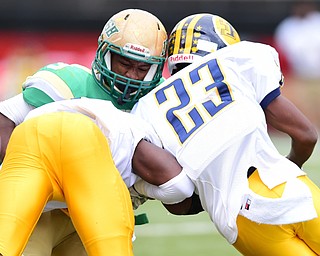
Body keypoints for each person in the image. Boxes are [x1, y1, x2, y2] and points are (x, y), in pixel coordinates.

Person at [130, 14, 320, 255]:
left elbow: (178, 203)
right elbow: (306, 135)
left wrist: (210, 191)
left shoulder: (147, 109)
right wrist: (290, 166)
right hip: (289, 186)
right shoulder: (237, 60)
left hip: (239, 220)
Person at [0, 8, 167, 256]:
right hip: (42, 211)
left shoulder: (158, 102)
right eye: (125, 63)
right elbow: (5, 118)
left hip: (96, 214)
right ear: (105, 54)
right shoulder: (70, 82)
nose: (132, 76)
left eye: (143, 69)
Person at [0, 97, 192, 256]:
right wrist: (138, 189)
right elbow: (180, 186)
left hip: (29, 136)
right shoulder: (145, 137)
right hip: (83, 143)